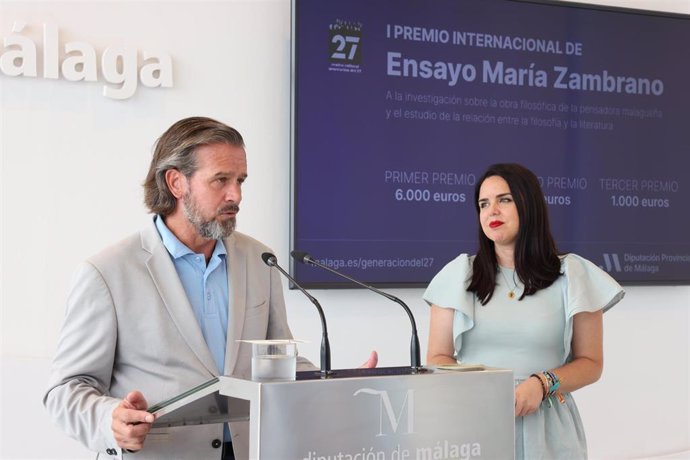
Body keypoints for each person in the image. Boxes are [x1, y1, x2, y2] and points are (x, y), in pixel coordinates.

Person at [43, 116, 377, 460]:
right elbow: (66, 389)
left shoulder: (260, 258)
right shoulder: (107, 273)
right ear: (176, 182)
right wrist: (108, 419)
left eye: (240, 180)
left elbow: (278, 362)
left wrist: (336, 385)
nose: (236, 195)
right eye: (221, 180)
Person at [425, 163, 624, 459]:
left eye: (504, 200)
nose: (492, 211)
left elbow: (591, 362)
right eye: (483, 204)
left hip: (548, 430)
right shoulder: (458, 275)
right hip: (476, 422)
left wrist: (543, 383)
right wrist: (485, 387)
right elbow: (436, 358)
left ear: (528, 204)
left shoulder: (573, 274)